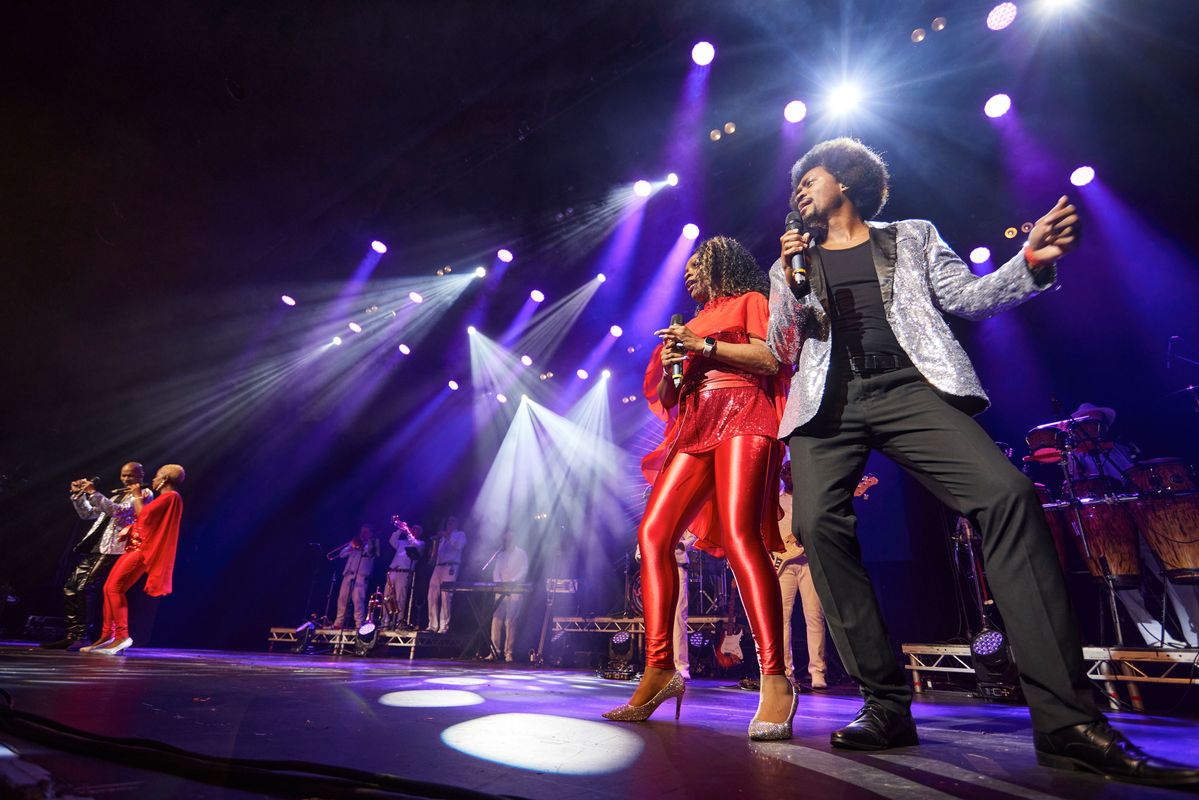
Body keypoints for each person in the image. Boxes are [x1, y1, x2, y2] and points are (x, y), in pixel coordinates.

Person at [769, 137, 1197, 784]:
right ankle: (884, 705)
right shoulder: (787, 264)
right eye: (794, 185)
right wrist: (796, 286)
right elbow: (781, 346)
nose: (799, 190)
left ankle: (1068, 723)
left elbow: (967, 297)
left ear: (848, 182)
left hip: (910, 389)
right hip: (825, 409)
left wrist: (1028, 260)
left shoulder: (909, 237)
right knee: (818, 530)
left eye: (811, 178)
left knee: (1009, 496)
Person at [602, 236, 796, 741]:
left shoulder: (752, 302)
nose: (688, 276)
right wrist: (672, 362)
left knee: (739, 536)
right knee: (652, 536)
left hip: (743, 413)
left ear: (720, 265)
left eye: (696, 266)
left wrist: (703, 346)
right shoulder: (687, 324)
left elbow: (769, 360)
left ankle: (775, 677)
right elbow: (669, 395)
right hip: (695, 423)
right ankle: (660, 667)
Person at [43, 463, 152, 650]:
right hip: (98, 545)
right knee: (71, 587)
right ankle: (74, 635)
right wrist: (80, 496)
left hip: (115, 548)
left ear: (141, 476)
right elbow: (88, 514)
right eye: (123, 475)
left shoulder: (144, 493)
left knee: (85, 587)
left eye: (130, 476)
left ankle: (85, 636)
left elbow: (119, 512)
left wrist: (94, 493)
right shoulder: (117, 494)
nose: (126, 479)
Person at [82, 464, 185, 655]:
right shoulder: (165, 498)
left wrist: (137, 496)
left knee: (115, 588)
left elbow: (143, 516)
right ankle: (108, 636)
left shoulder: (171, 497)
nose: (153, 480)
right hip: (134, 547)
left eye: (156, 476)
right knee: (108, 588)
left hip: (141, 550)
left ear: (163, 479)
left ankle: (122, 636)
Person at [775, 466, 827, 689]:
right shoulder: (775, 503)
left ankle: (818, 672)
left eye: (792, 472)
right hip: (783, 565)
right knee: (782, 619)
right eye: (785, 473)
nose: (789, 476)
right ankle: (786, 672)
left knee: (814, 617)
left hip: (809, 563)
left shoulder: (810, 500)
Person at [488, 530, 529, 662]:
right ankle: (494, 651)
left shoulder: (521, 554)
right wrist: (499, 584)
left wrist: (511, 583)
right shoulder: (500, 555)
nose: (507, 541)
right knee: (496, 619)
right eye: (505, 539)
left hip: (515, 590)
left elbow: (524, 571)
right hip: (500, 590)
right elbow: (496, 571)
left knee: (510, 621)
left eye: (510, 539)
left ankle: (508, 652)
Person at [332, 524, 380, 629]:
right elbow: (342, 554)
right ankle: (338, 623)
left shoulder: (373, 543)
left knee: (358, 601)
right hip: (348, 575)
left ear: (370, 534)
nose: (363, 534)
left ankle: (359, 624)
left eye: (366, 532)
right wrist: (351, 547)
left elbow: (371, 552)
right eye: (362, 532)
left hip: (361, 577)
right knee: (342, 599)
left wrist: (362, 545)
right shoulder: (354, 542)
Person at [426, 516, 466, 634]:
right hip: (438, 567)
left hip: (451, 567)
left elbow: (458, 546)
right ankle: (432, 625)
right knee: (432, 594)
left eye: (452, 521)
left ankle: (444, 626)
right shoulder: (442, 538)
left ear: (457, 524)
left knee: (446, 596)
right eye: (448, 521)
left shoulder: (460, 534)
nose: (449, 523)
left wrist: (447, 536)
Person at [385, 517, 424, 629]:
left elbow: (414, 544)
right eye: (413, 529)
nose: (413, 530)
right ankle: (385, 622)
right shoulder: (402, 542)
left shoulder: (420, 543)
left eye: (416, 530)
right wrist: (399, 530)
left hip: (405, 573)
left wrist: (407, 532)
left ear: (420, 533)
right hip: (393, 571)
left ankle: (399, 622)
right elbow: (392, 541)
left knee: (400, 599)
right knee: (387, 598)